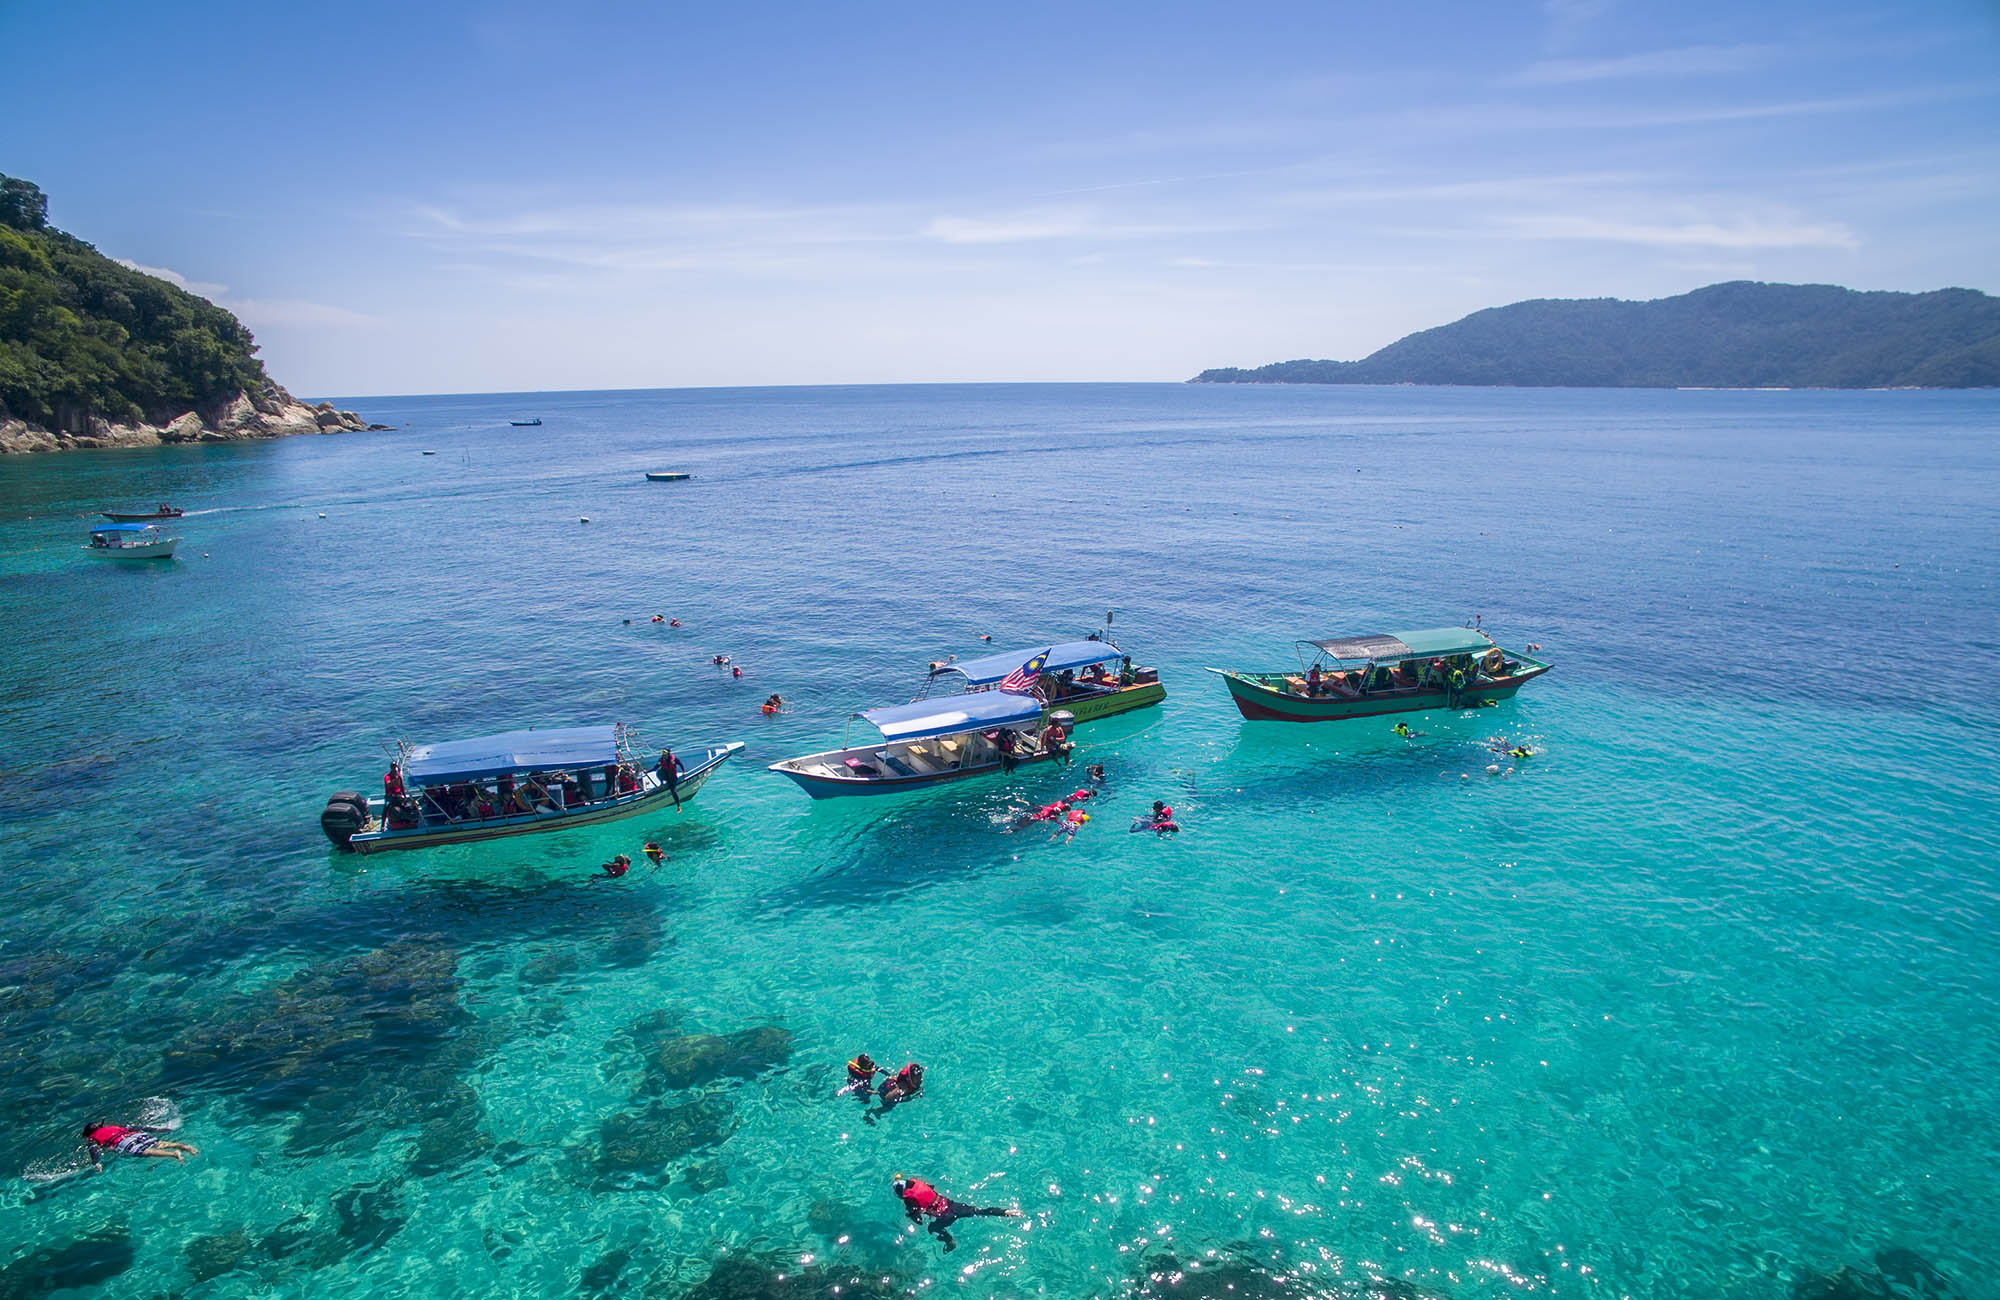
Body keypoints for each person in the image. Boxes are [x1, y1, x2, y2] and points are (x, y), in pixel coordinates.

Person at [893, 1174, 1020, 1253]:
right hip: (953, 1206)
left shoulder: (909, 1200)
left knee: (932, 1228)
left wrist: (911, 1215)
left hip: (943, 1217)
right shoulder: (919, 1184)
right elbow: (931, 1188)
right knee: (979, 1211)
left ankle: (950, 1242)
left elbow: (919, 1221)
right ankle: (1005, 1212)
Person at [82, 1122, 198, 1167]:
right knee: (159, 1143)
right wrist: (157, 1129)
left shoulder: (92, 1139)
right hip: (135, 1135)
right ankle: (184, 1146)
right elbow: (137, 1127)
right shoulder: (113, 1127)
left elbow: (94, 1150)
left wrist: (96, 1162)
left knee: (145, 1152)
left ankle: (173, 1155)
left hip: (122, 1141)